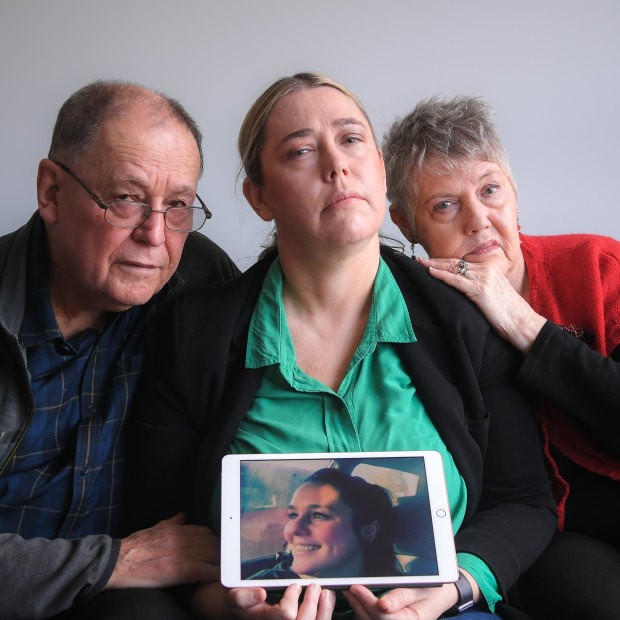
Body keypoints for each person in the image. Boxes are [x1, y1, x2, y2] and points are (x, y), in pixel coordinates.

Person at [126, 73, 556, 620]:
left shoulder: (463, 318)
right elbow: (159, 533)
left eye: (351, 140)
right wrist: (227, 608)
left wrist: (453, 588)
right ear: (259, 196)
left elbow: (524, 501)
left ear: (379, 167)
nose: (337, 165)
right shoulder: (192, 334)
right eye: (301, 151)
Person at [0, 80, 239, 620]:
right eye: (128, 198)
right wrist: (111, 562)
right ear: (51, 192)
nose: (155, 235)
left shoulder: (198, 281)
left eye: (177, 205)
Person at [382, 95, 620, 620]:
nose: (478, 219)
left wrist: (523, 324)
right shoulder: (407, 315)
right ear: (404, 223)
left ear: (513, 192)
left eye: (490, 190)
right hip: (546, 533)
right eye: (445, 205)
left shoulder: (596, 265)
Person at [247, 468, 400, 580]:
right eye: (293, 515)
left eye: (318, 515)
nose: (293, 529)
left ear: (368, 531)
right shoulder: (261, 590)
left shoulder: (398, 594)